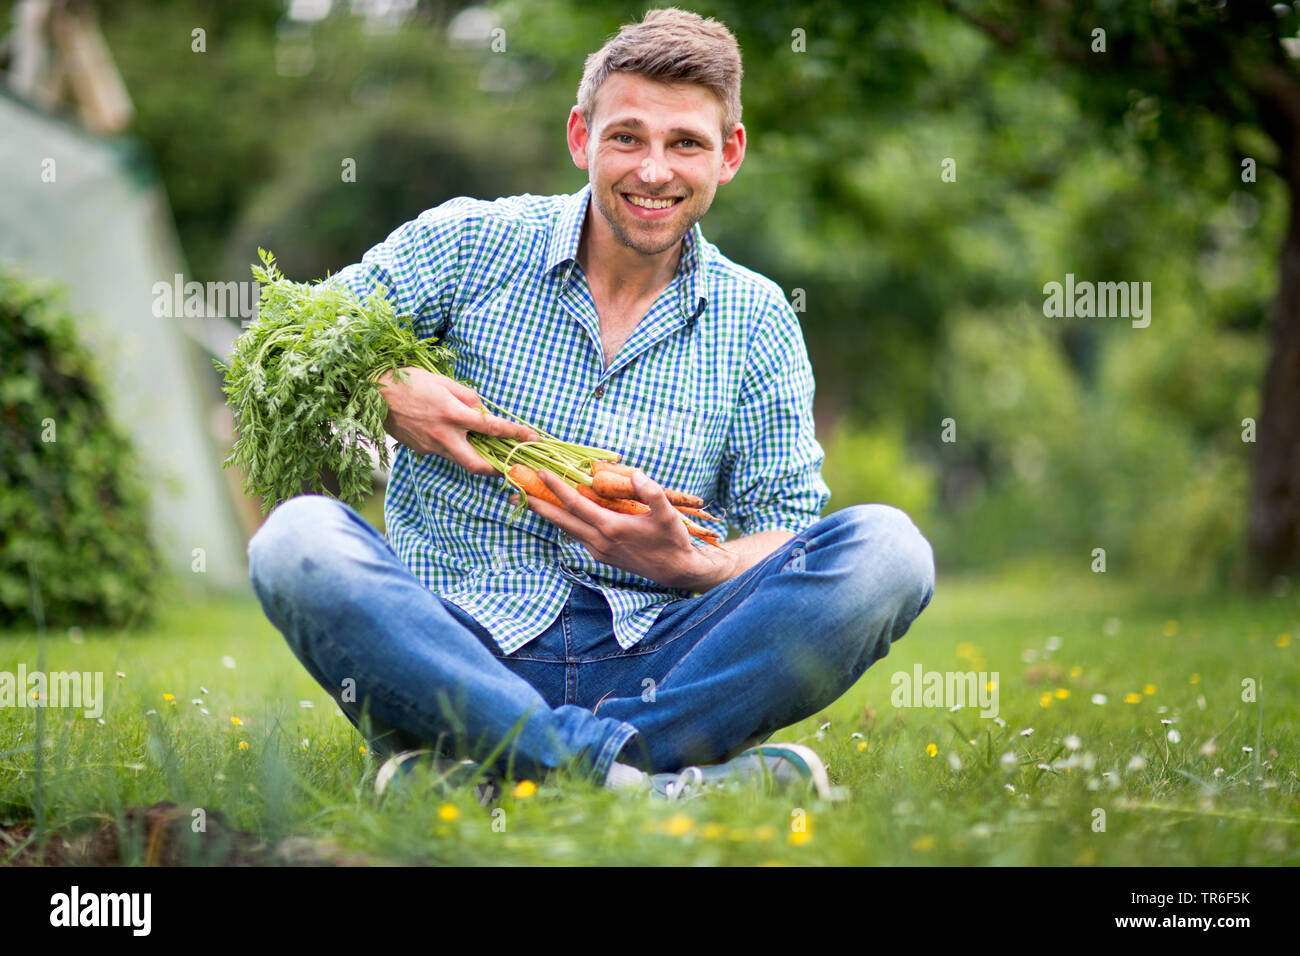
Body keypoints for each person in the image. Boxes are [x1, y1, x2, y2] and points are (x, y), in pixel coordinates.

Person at [248, 7, 934, 801]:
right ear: (581, 138)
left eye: (685, 144)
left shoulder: (757, 319)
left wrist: (696, 564)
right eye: (627, 138)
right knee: (295, 539)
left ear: (729, 155)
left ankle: (494, 771)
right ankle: (642, 782)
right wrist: (383, 392)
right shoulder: (468, 242)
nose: (653, 171)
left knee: (889, 551)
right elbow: (279, 341)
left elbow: (787, 526)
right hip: (458, 647)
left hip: (660, 664)